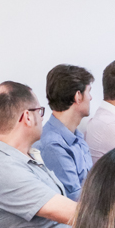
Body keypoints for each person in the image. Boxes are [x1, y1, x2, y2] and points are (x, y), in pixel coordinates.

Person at [0, 80, 75, 228]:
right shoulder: (4, 170)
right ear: (27, 117)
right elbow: (76, 214)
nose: (42, 118)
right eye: (40, 111)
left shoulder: (23, 159)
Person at [39, 64, 94, 200]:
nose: (91, 98)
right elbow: (76, 200)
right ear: (78, 96)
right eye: (89, 92)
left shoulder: (77, 135)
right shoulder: (52, 145)